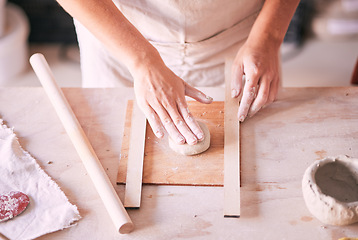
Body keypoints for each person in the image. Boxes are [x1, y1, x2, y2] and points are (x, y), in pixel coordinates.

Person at [56, 0, 300, 145]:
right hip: (116, 33)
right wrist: (142, 60)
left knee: (247, 141)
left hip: (237, 37)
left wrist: (269, 37)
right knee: (111, 145)